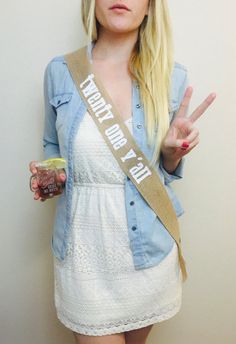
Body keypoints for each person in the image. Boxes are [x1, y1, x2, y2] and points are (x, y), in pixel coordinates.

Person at [29, 1, 216, 343]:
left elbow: (163, 172)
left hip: (147, 254)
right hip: (83, 252)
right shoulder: (60, 71)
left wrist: (172, 154)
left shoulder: (172, 77)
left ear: (149, 7)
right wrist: (50, 178)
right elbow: (51, 146)